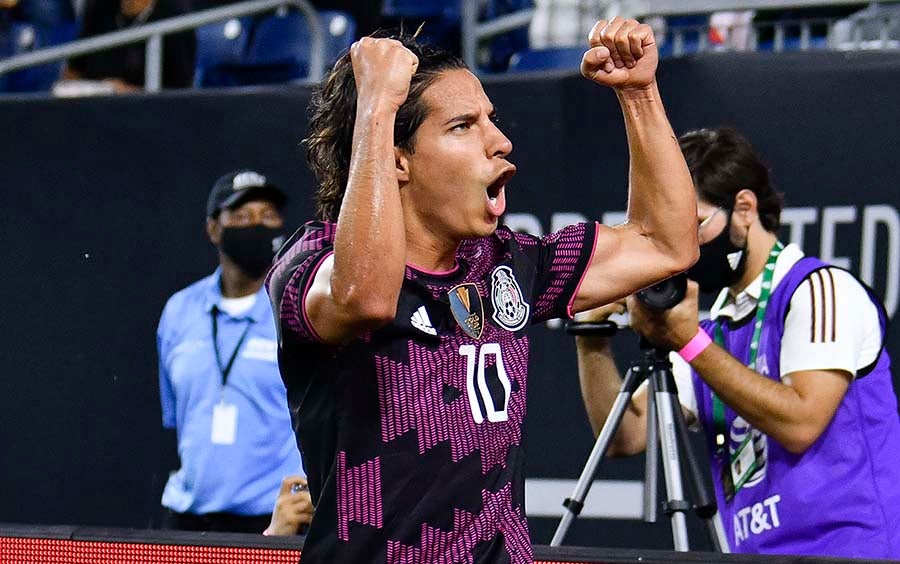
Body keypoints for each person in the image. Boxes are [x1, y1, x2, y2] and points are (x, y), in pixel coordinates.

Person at [267, 19, 698, 563]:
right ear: (397, 158)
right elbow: (366, 297)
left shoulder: (505, 265)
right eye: (464, 126)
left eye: (490, 120)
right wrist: (374, 108)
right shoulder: (311, 262)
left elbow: (664, 244)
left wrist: (639, 95)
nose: (501, 141)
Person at [577, 127, 900, 557]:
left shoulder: (820, 290)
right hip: (753, 554)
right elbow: (626, 436)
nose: (684, 249)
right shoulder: (713, 329)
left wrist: (688, 342)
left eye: (693, 227)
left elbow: (801, 423)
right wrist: (590, 341)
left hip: (846, 550)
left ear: (744, 209)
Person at [157, 170, 312, 533]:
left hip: (273, 521)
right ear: (214, 229)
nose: (256, 226)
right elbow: (177, 418)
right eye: (241, 217)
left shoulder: (295, 310)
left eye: (268, 216)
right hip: (186, 518)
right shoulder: (179, 311)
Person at [62, 0, 195, 92]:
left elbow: (179, 95)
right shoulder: (100, 9)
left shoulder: (175, 20)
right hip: (92, 110)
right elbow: (73, 71)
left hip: (147, 117)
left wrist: (124, 93)